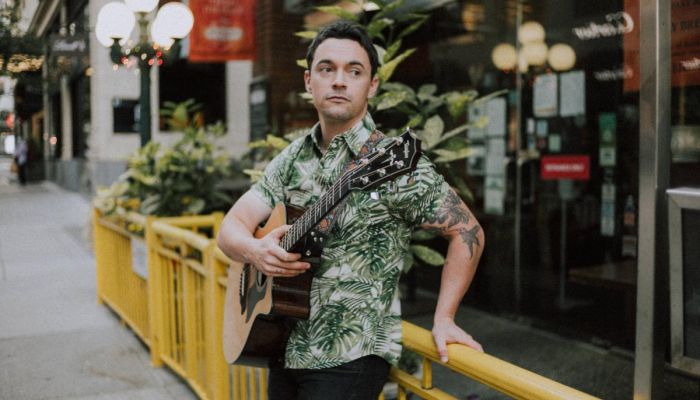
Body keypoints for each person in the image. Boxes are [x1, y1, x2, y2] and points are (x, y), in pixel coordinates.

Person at [217, 20, 484, 400]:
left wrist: (444, 317)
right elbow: (231, 228)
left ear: (372, 85)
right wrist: (255, 251)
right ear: (309, 81)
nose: (339, 81)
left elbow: (467, 231)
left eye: (354, 71)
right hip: (283, 342)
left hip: (351, 356)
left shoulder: (395, 163)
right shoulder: (293, 157)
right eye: (327, 69)